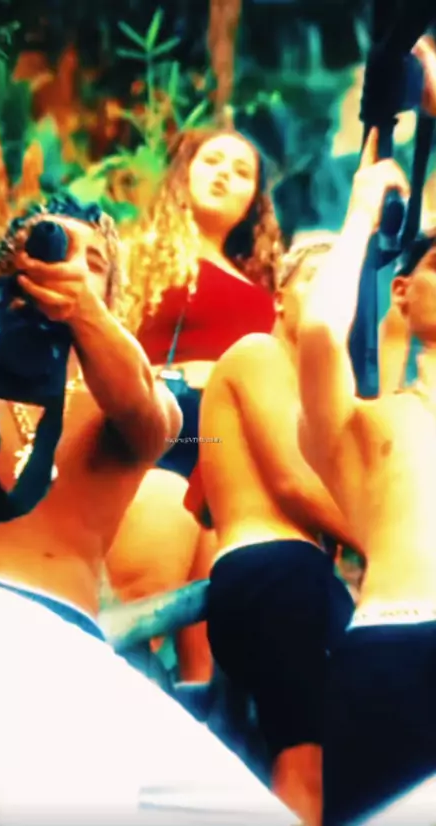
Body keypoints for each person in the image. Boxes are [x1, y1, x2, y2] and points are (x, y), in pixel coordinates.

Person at [0, 196, 295, 826]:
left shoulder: (127, 398)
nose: (72, 271)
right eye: (54, 251)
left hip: (84, 652)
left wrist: (83, 313)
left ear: (112, 298)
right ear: (12, 270)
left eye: (93, 264)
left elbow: (147, 417)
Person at [297, 121, 436, 826]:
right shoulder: (362, 424)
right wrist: (359, 214)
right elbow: (322, 332)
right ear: (403, 291)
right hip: (397, 649)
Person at [107, 127, 283, 680]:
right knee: (143, 610)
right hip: (169, 432)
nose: (224, 173)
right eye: (212, 161)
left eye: (241, 170)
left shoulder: (264, 284)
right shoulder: (137, 254)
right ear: (185, 172)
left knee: (207, 650)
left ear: (254, 201)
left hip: (228, 458)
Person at [197, 238, 357, 826]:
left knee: (339, 766)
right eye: (315, 278)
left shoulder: (317, 391)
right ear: (281, 296)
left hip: (297, 580)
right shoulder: (258, 352)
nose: (330, 294)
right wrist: (382, 544)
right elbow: (291, 482)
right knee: (306, 764)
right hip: (274, 574)